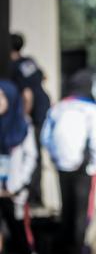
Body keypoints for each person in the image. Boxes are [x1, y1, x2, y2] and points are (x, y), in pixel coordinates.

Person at [41, 69, 96, 254]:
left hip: (62, 168)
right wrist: (95, 165)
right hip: (83, 169)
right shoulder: (91, 109)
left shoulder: (58, 107)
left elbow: (45, 138)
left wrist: (56, 159)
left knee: (66, 211)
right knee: (80, 214)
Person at [0, 80, 47, 254]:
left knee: (21, 239)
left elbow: (31, 158)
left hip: (15, 194)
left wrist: (18, 186)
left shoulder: (23, 125)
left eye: (1, 97)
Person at [9, 33, 51, 207]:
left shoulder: (14, 66)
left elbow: (27, 95)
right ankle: (36, 195)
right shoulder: (28, 61)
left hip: (34, 114)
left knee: (31, 155)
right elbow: (44, 76)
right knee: (37, 155)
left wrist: (24, 118)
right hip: (44, 110)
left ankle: (33, 196)